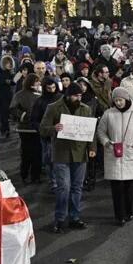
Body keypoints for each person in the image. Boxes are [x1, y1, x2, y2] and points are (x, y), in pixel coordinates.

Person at [40, 83, 97, 233]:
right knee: (63, 187)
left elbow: (91, 131)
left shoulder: (86, 109)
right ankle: (59, 218)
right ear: (68, 95)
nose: (79, 98)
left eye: (80, 96)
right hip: (61, 153)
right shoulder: (53, 108)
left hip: (80, 153)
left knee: (77, 187)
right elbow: (42, 129)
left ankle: (74, 217)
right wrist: (54, 128)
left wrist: (92, 148)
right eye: (76, 96)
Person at [96, 87, 133, 226]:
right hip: (113, 154)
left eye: (121, 100)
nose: (118, 103)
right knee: (117, 189)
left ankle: (129, 211)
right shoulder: (108, 114)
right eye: (116, 100)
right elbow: (101, 131)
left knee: (129, 188)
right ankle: (119, 216)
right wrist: (107, 143)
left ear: (127, 99)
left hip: (130, 154)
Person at [10, 74, 42, 184]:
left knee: (37, 153)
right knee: (26, 152)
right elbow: (13, 109)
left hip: (37, 128)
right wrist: (23, 115)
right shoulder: (20, 95)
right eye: (36, 81)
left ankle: (35, 176)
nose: (38, 83)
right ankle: (24, 174)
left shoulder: (40, 95)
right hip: (25, 129)